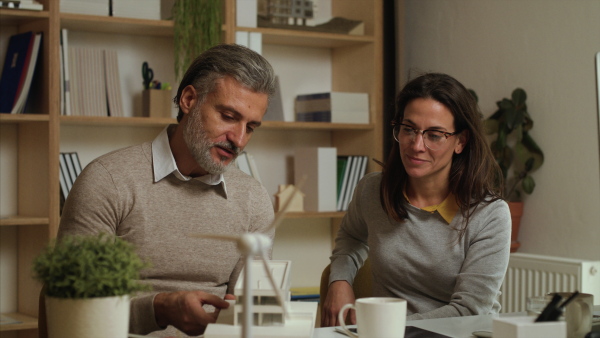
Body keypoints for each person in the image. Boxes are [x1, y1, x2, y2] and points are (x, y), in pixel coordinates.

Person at [57, 44, 277, 337]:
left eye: (250, 127)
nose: (238, 139)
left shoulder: (253, 200)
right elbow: (71, 310)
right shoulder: (108, 180)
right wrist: (159, 308)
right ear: (189, 100)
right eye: (227, 116)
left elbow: (250, 316)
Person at [321, 72, 511, 326]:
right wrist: (340, 281)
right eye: (409, 129)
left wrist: (385, 327)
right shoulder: (372, 190)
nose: (416, 145)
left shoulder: (490, 214)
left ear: (460, 141)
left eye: (434, 135)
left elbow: (470, 310)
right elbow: (351, 237)